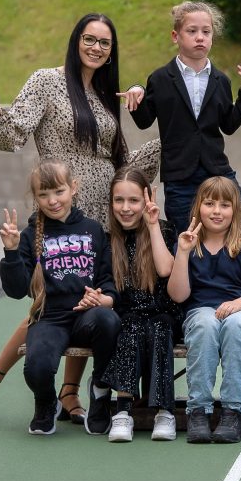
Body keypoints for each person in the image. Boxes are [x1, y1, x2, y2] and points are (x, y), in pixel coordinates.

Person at [0, 13, 158, 424]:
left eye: (105, 43)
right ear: (76, 41)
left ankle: (69, 392)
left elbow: (119, 160)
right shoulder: (46, 81)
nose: (96, 48)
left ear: (111, 52)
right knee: (48, 304)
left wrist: (169, 138)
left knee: (86, 299)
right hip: (59, 206)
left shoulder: (106, 95)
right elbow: (14, 132)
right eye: (89, 39)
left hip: (100, 214)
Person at [0, 159, 121, 436]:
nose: (52, 201)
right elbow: (16, 291)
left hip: (87, 317)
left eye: (59, 191)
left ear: (73, 188)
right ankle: (46, 402)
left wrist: (102, 297)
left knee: (109, 320)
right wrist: (12, 252)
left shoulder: (93, 229)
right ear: (35, 197)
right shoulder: (30, 236)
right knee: (37, 368)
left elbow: (107, 280)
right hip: (50, 319)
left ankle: (100, 392)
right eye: (44, 194)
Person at [128, 0, 241, 236]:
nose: (200, 37)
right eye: (192, 31)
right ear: (175, 36)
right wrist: (136, 92)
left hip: (217, 170)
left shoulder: (221, 80)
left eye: (206, 32)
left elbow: (229, 125)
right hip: (179, 176)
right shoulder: (160, 79)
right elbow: (144, 121)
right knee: (186, 238)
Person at [167, 177, 241, 444]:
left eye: (225, 205)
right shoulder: (188, 243)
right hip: (203, 315)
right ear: (198, 207)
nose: (217, 211)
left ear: (235, 209)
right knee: (205, 323)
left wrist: (236, 305)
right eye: (210, 204)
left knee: (236, 324)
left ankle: (232, 412)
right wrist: (182, 253)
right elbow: (178, 295)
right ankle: (198, 411)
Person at [103, 166, 183, 443]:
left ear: (146, 200)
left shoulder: (164, 230)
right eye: (119, 200)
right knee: (130, 326)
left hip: (165, 313)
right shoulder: (108, 240)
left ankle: (165, 412)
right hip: (129, 314)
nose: (126, 208)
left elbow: (165, 269)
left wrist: (152, 225)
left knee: (159, 327)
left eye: (134, 200)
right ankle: (122, 411)